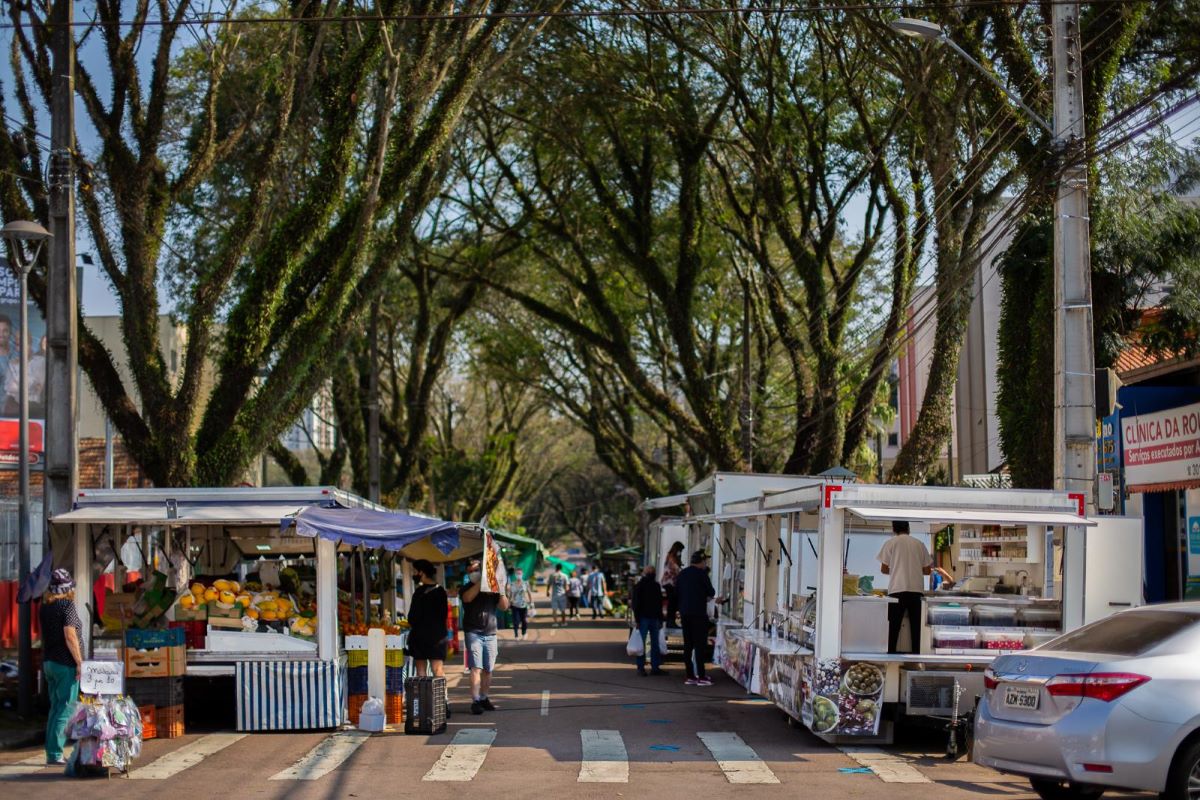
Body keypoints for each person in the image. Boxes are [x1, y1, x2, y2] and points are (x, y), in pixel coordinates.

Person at [39, 568, 82, 765]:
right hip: (65, 664)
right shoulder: (67, 606)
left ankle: (51, 752)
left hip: (49, 662)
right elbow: (70, 635)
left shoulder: (45, 607)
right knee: (65, 709)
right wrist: (80, 663)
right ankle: (56, 753)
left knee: (55, 708)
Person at [461, 558, 510, 714]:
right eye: (470, 571)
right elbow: (467, 598)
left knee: (488, 669)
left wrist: (500, 589)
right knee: (475, 667)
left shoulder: (492, 589)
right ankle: (475, 700)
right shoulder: (467, 588)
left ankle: (484, 697)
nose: (473, 573)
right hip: (472, 632)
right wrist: (480, 582)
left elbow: (504, 606)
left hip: (490, 633)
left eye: (476, 570)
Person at [877, 520, 933, 654]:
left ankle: (890, 658)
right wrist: (913, 568)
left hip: (896, 591)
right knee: (916, 630)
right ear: (908, 528)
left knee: (893, 628)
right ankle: (916, 660)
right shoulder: (919, 544)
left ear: (893, 529)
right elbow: (927, 571)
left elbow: (884, 569)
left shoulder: (890, 543)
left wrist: (897, 569)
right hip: (916, 592)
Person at [676, 550, 719, 686]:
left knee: (688, 645)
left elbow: (677, 592)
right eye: (705, 561)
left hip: (685, 613)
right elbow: (711, 592)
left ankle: (690, 676)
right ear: (701, 562)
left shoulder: (682, 574)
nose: (705, 563)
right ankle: (701, 676)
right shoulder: (702, 574)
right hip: (699, 614)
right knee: (700, 645)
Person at [406, 559, 449, 677]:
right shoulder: (441, 591)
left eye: (415, 571)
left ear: (422, 573)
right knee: (438, 670)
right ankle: (440, 695)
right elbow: (443, 614)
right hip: (437, 637)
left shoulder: (419, 592)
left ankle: (423, 695)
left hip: (420, 637)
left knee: (421, 672)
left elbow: (412, 617)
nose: (413, 574)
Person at [632, 565, 668, 676]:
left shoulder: (639, 586)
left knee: (643, 644)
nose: (652, 573)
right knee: (654, 643)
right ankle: (654, 667)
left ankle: (642, 668)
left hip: (645, 618)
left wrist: (637, 619)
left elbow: (636, 604)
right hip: (652, 618)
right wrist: (660, 619)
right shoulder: (654, 586)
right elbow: (658, 604)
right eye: (651, 572)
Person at [661, 541, 684, 627]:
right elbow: (675, 568)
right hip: (669, 583)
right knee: (672, 603)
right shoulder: (671, 557)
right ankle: (670, 621)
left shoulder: (672, 556)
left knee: (673, 602)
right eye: (680, 550)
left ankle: (671, 621)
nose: (680, 552)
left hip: (671, 583)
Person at [506, 568, 532, 639]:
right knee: (515, 621)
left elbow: (529, 594)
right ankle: (516, 635)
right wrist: (508, 603)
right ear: (515, 575)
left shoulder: (526, 583)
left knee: (524, 620)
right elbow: (510, 595)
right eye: (517, 574)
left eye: (520, 573)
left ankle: (524, 633)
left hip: (524, 605)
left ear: (522, 574)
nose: (518, 575)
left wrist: (531, 603)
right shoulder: (512, 584)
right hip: (514, 605)